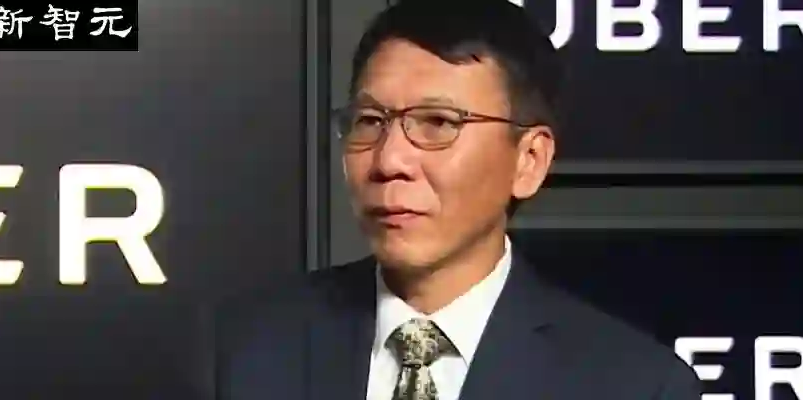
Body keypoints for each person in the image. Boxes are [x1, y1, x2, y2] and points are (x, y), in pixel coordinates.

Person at [192, 0, 702, 398]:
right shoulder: (246, 351)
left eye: (438, 123)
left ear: (529, 160)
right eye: (369, 121)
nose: (390, 159)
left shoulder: (635, 386)